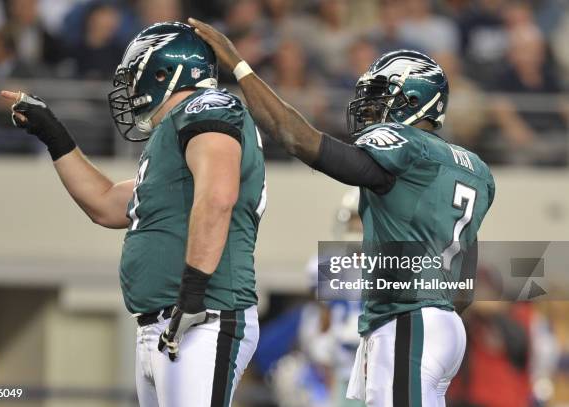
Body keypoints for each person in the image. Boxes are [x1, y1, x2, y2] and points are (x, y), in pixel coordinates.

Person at [188, 18, 495, 406]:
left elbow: (296, 139)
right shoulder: (472, 168)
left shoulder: (406, 146)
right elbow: (462, 287)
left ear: (415, 101)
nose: (372, 105)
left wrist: (239, 66)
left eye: (383, 94)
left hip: (409, 322)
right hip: (446, 327)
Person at [0, 22, 266, 407]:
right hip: (169, 322)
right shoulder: (172, 137)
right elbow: (106, 203)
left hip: (203, 315)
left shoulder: (208, 106)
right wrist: (53, 134)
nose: (131, 89)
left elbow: (218, 197)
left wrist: (191, 295)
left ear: (163, 72)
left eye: (136, 76)